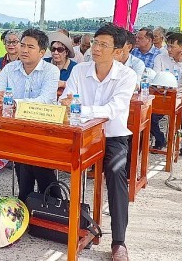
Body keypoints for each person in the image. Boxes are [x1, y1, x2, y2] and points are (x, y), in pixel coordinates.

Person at [59, 23, 136, 261]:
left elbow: (113, 110)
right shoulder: (80, 70)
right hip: (81, 133)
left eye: (104, 44)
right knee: (47, 155)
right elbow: (65, 99)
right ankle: (51, 216)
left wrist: (80, 108)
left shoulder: (127, 75)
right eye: (95, 42)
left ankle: (119, 242)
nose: (96, 48)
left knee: (115, 172)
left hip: (113, 136)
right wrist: (76, 107)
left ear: (118, 51)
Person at [0, 28, 60, 203]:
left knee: (29, 156)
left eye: (30, 47)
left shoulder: (51, 71)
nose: (24, 50)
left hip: (41, 129)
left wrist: (13, 102)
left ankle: (47, 203)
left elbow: (46, 100)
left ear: (42, 52)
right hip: (13, 128)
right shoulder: (10, 68)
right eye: (23, 45)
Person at [151, 32, 182, 159]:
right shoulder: (160, 58)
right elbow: (157, 76)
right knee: (149, 116)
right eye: (168, 46)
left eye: (172, 47)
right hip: (162, 94)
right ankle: (160, 139)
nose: (169, 50)